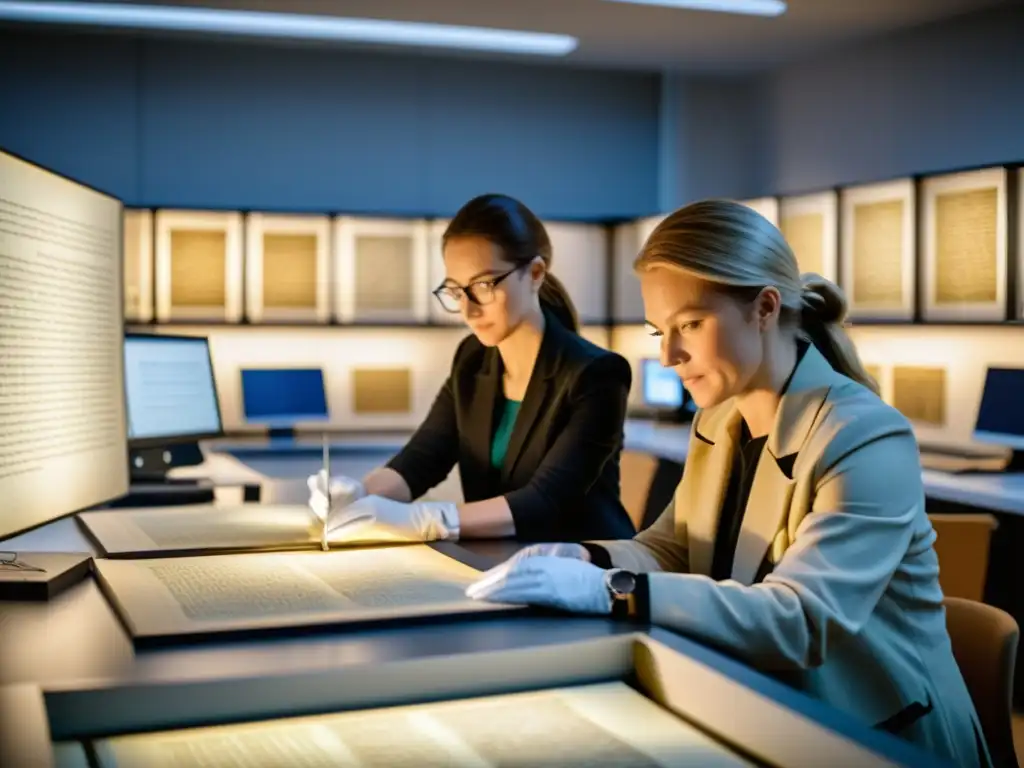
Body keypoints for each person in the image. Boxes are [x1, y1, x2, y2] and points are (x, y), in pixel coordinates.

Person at [466, 199, 991, 767]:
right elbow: (668, 548)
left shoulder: (865, 436)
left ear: (764, 308)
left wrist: (611, 591)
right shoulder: (718, 420)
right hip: (767, 708)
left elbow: (800, 620)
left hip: (881, 740)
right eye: (658, 330)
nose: (667, 354)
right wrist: (584, 557)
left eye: (689, 324)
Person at [309, 193, 636, 544]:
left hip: (584, 570)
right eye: (455, 290)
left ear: (536, 273)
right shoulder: (472, 359)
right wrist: (359, 495)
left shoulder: (597, 374)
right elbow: (422, 459)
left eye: (483, 286)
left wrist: (428, 519)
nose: (468, 309)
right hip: (497, 562)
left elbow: (544, 501)